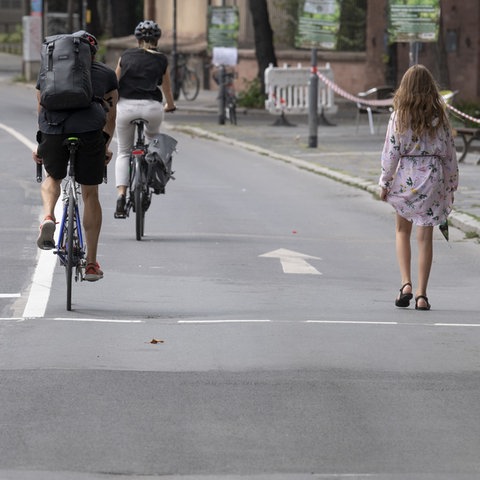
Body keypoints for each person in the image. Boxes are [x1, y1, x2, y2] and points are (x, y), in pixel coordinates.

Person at [33, 31, 118, 282]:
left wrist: (42, 145)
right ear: (92, 52)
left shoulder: (48, 70)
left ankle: (49, 216)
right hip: (90, 131)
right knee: (90, 192)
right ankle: (91, 263)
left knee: (53, 178)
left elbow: (41, 108)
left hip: (53, 130)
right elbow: (111, 116)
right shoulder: (106, 74)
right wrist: (104, 146)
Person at [379, 64, 458, 310]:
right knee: (425, 238)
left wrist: (385, 181)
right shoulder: (440, 117)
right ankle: (422, 296)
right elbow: (449, 153)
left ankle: (406, 284)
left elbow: (391, 152)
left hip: (406, 177)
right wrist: (451, 184)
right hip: (433, 179)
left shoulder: (398, 116)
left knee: (402, 231)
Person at [113, 20, 176, 218]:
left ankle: (121, 196)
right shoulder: (162, 60)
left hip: (126, 107)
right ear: (157, 39)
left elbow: (114, 84)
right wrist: (170, 105)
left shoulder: (125, 56)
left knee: (124, 152)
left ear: (137, 39)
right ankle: (149, 177)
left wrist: (110, 105)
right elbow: (166, 88)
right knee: (153, 144)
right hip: (152, 108)